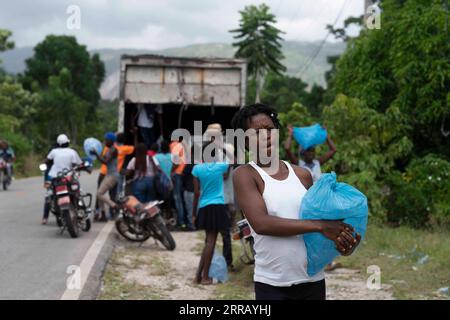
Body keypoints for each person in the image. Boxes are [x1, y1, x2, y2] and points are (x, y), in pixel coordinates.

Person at [231, 103, 360, 300]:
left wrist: (342, 241)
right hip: (273, 284)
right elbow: (261, 223)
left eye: (270, 129)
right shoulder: (246, 174)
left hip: (313, 281)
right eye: (257, 132)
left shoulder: (302, 175)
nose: (266, 135)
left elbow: (319, 226)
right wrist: (321, 226)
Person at [192, 142, 231, 285]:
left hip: (204, 206)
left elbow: (196, 193)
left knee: (208, 242)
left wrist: (193, 213)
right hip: (217, 206)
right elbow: (229, 168)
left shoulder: (197, 169)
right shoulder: (220, 167)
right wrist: (222, 148)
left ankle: (198, 276)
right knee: (211, 242)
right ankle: (205, 278)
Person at [42, 134, 82, 224]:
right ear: (67, 142)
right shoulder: (72, 152)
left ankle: (45, 217)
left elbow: (46, 160)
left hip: (56, 178)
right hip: (68, 177)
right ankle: (80, 209)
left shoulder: (53, 151)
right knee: (77, 192)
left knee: (49, 195)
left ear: (58, 144)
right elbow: (79, 163)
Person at [92, 132, 119, 221]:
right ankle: (103, 214)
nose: (105, 141)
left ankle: (114, 206)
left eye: (106, 140)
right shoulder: (108, 149)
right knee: (100, 194)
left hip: (112, 176)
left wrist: (96, 154)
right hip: (109, 175)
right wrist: (96, 153)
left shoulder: (113, 150)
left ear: (111, 141)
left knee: (99, 194)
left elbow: (105, 161)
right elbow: (102, 158)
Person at [170, 137, 187, 230]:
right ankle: (182, 221)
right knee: (180, 198)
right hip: (181, 173)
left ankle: (180, 222)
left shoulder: (174, 145)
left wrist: (170, 172)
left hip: (176, 174)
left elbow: (175, 162)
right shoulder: (183, 146)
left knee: (177, 199)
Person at [182, 146, 196, 231]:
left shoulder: (189, 163)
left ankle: (191, 225)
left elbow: (184, 175)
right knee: (197, 209)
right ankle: (197, 224)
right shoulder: (201, 163)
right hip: (199, 189)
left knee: (190, 208)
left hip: (189, 189)